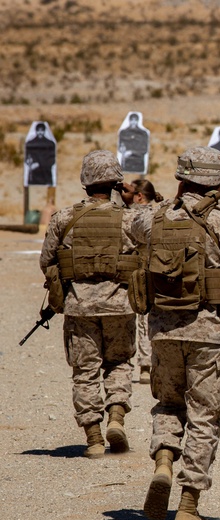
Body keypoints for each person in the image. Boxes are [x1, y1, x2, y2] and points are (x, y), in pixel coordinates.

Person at [135, 146, 220, 520]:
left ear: (181, 179)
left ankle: (163, 459)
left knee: (169, 402)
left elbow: (126, 227)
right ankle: (189, 505)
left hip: (162, 333)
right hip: (209, 334)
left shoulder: (152, 221)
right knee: (205, 415)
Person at [39, 150, 140, 458]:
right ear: (116, 184)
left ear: (85, 183)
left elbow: (47, 261)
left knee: (85, 370)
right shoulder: (131, 219)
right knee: (120, 363)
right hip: (119, 305)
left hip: (79, 307)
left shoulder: (64, 218)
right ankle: (117, 417)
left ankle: (94, 438)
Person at [128, 178, 164, 384]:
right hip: (159, 270)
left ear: (139, 196)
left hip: (137, 271)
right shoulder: (161, 212)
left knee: (141, 321)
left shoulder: (134, 214)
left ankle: (144, 366)